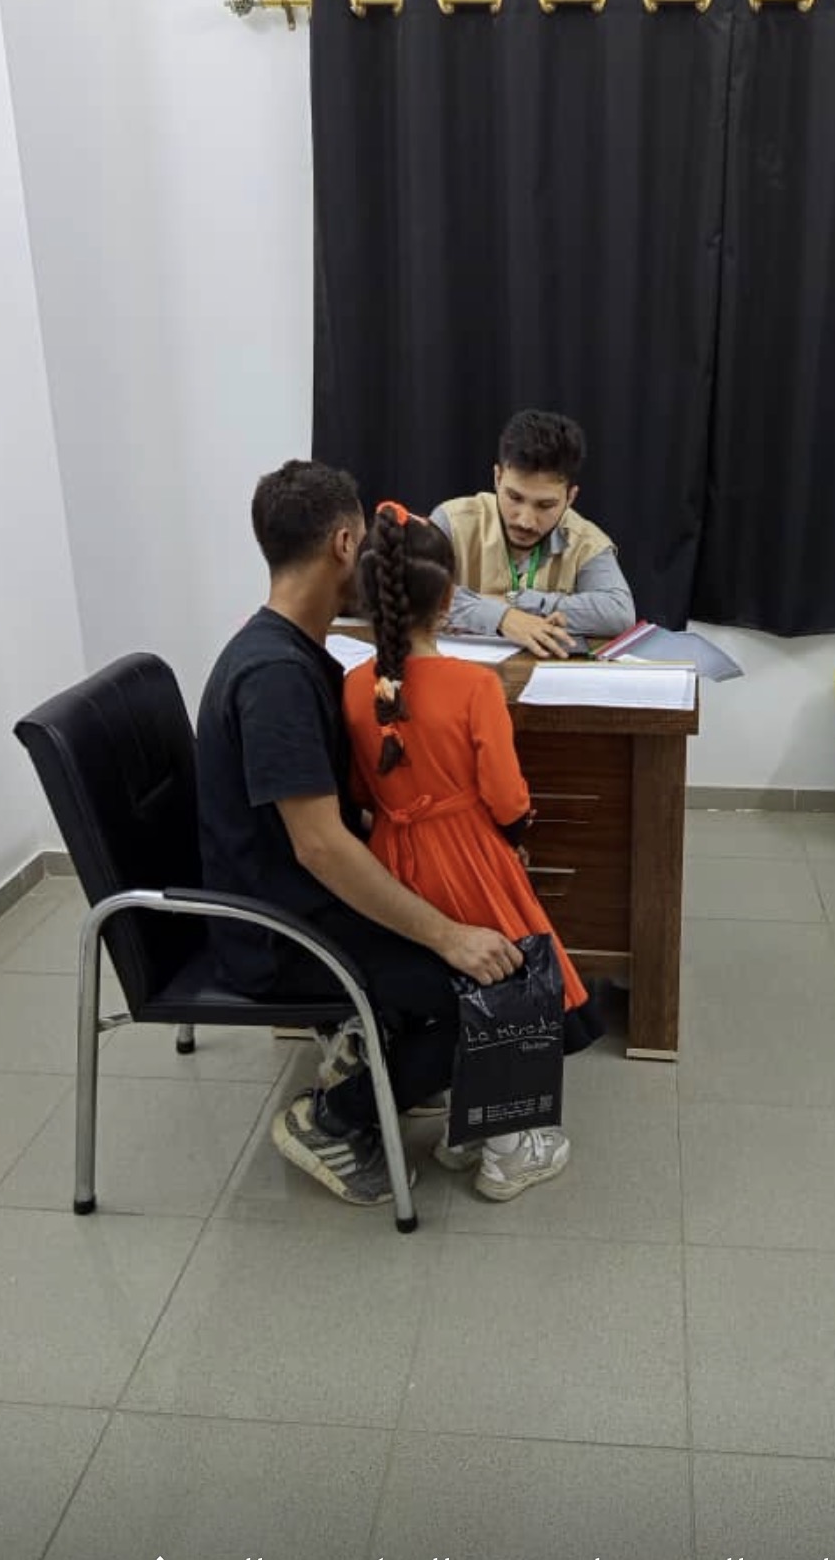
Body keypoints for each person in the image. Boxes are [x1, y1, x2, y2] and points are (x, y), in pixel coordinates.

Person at [194, 459, 524, 1209]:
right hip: (279, 935)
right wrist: (447, 936)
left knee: (474, 936)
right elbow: (319, 846)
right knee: (483, 991)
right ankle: (331, 1119)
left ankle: (380, 1062)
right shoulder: (275, 678)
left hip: (292, 898)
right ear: (345, 543)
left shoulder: (292, 651)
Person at [343, 500, 586, 1199]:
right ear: (449, 602)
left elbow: (361, 786)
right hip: (470, 861)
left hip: (391, 860)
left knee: (443, 998)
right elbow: (506, 796)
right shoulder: (476, 686)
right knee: (504, 994)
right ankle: (509, 1152)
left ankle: (467, 1127)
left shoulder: (355, 688)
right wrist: (515, 833)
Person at [431, 408, 635, 658]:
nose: (526, 521)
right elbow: (415, 593)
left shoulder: (588, 542)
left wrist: (514, 602)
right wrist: (504, 618)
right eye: (514, 497)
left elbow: (618, 613)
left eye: (545, 505)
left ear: (570, 497)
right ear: (497, 478)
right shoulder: (452, 520)